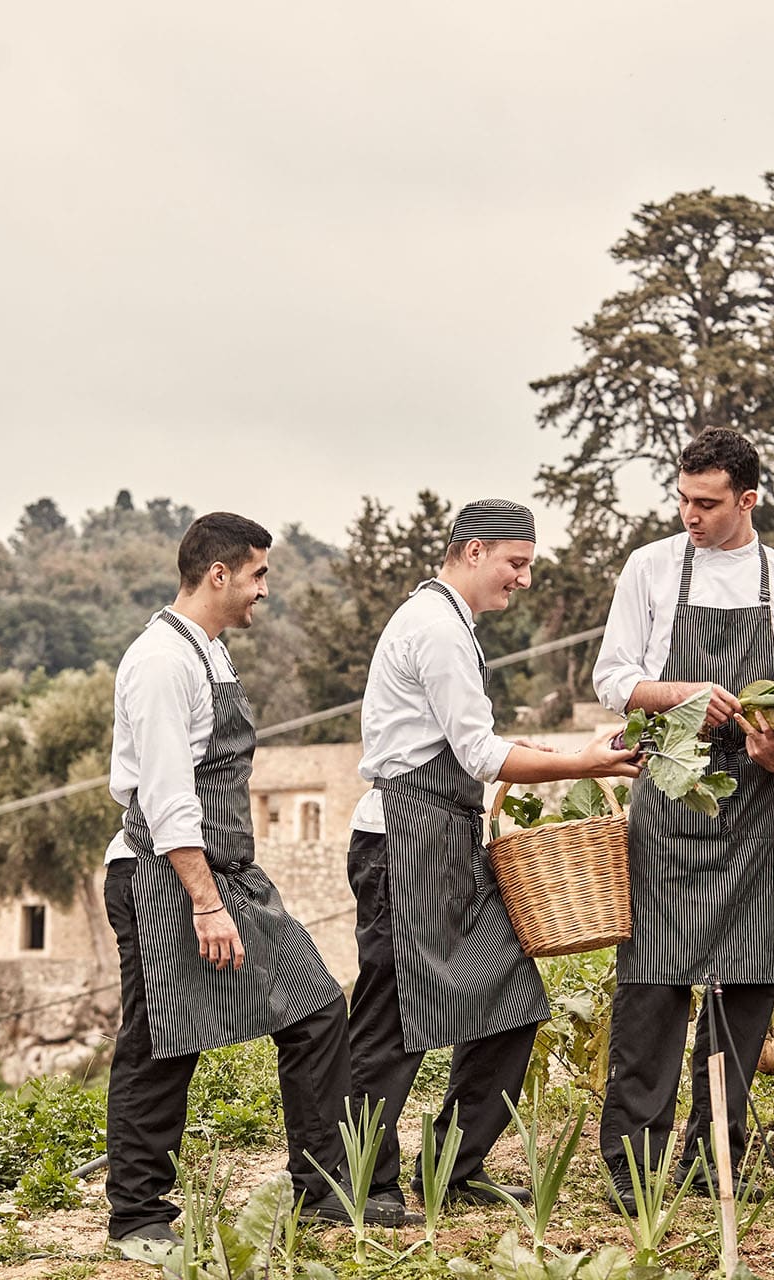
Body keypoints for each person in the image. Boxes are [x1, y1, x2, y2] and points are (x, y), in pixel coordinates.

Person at [102, 512, 389, 1246]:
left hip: (229, 871)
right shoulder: (163, 661)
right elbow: (165, 797)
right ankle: (136, 1214)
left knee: (316, 1009)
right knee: (161, 1041)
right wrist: (204, 903)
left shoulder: (211, 654)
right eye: (258, 574)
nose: (266, 589)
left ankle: (322, 1189)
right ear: (219, 574)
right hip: (167, 876)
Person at [346, 498, 640, 1212]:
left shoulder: (449, 623)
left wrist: (537, 751)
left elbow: (462, 737)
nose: (525, 579)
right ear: (473, 552)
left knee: (508, 999)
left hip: (444, 841)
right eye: (517, 563)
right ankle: (360, 1180)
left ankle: (454, 1165)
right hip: (401, 844)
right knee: (392, 1015)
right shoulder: (436, 629)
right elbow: (479, 755)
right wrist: (579, 763)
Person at [591, 428, 774, 1209]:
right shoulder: (651, 568)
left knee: (745, 986)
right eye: (683, 500)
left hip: (750, 810)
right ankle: (632, 1164)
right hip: (669, 794)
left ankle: (714, 1154)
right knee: (652, 986)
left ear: (748, 501)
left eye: (707, 503)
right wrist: (681, 694)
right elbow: (613, 677)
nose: (689, 514)